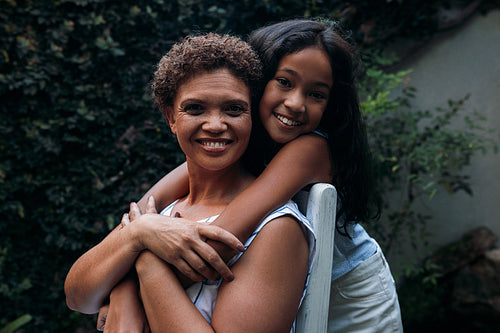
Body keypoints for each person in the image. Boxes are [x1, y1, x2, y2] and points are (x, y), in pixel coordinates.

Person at [128, 18, 404, 332]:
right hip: (294, 294)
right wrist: (134, 244)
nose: (296, 103)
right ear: (257, 82)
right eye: (284, 82)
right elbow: (139, 213)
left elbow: (221, 242)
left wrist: (129, 282)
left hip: (353, 301)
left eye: (317, 94)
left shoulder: (311, 149)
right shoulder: (239, 136)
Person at [64, 33, 315, 333]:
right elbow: (78, 297)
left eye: (234, 109)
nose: (215, 125)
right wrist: (139, 234)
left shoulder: (276, 228)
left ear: (252, 116)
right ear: (171, 118)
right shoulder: (159, 212)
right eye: (195, 108)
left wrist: (145, 263)